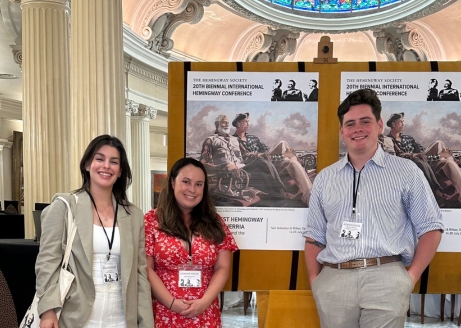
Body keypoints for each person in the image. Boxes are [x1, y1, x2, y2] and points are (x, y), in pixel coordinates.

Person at [303, 89, 444, 328]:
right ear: (342, 131)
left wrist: (409, 279)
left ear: (379, 125)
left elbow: (431, 228)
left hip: (386, 277)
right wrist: (316, 281)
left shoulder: (406, 172)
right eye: (350, 124)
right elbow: (314, 237)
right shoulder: (326, 178)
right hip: (334, 280)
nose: (357, 128)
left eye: (365, 121)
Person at [36, 135, 154, 328]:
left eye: (114, 162)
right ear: (87, 164)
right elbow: (47, 263)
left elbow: (140, 274)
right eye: (100, 159)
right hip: (76, 316)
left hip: (121, 317)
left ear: (120, 170)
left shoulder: (133, 215)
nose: (106, 166)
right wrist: (48, 310)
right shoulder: (64, 207)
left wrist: (146, 322)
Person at [145, 157, 238, 327]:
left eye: (199, 184)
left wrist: (204, 302)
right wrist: (171, 302)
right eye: (186, 182)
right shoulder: (151, 220)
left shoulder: (215, 221)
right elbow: (146, 268)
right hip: (165, 311)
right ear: (173, 182)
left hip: (205, 312)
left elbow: (222, 267)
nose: (192, 190)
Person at [387, 112, 461, 209]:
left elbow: (422, 152)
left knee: (443, 151)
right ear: (393, 124)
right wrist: (438, 156)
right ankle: (453, 164)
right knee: (435, 153)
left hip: (426, 163)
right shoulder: (389, 140)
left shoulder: (408, 138)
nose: (403, 124)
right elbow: (402, 157)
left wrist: (439, 155)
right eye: (400, 122)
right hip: (416, 166)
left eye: (403, 122)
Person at [232, 112, 312, 205]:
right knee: (290, 160)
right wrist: (283, 155)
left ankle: (307, 195)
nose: (248, 124)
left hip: (268, 161)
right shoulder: (234, 140)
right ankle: (293, 160)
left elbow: (267, 150)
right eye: (245, 122)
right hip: (256, 166)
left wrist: (277, 154)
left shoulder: (253, 138)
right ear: (238, 123)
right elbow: (246, 157)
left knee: (283, 144)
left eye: (248, 121)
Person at [200, 114, 287, 199]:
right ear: (217, 124)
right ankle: (280, 193)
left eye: (227, 123)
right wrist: (225, 166)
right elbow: (203, 165)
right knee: (263, 164)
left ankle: (281, 191)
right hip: (227, 175)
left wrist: (260, 154)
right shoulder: (210, 140)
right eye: (224, 122)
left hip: (243, 170)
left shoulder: (235, 139)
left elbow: (246, 155)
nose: (226, 125)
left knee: (263, 161)